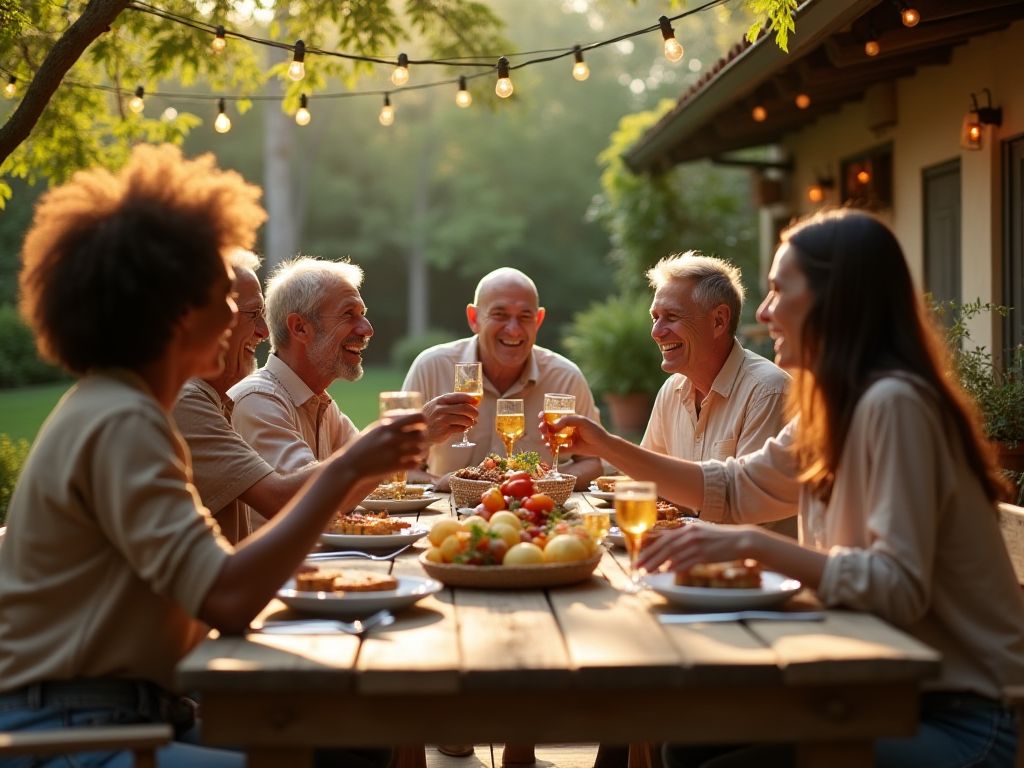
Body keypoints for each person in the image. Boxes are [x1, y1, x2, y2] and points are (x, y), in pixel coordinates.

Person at [547, 209, 1024, 767]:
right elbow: (733, 486)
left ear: (833, 299)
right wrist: (603, 443)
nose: (766, 310)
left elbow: (898, 586)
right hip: (872, 683)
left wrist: (753, 544)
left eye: (778, 290)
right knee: (684, 741)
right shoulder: (833, 406)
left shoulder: (896, 404)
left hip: (959, 713)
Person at [0, 144, 427, 768]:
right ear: (175, 313)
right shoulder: (122, 420)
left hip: (135, 712)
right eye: (226, 302)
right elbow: (226, 597)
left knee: (359, 737)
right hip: (75, 733)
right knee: (344, 750)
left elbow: (206, 587)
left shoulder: (124, 407)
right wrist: (352, 466)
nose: (246, 323)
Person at [403, 267, 602, 491]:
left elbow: (593, 462)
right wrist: (440, 483)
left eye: (525, 317)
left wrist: (539, 485)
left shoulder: (566, 378)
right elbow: (395, 463)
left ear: (538, 320)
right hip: (448, 516)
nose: (514, 330)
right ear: (474, 318)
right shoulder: (432, 367)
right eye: (500, 315)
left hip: (536, 513)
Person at [173, 249, 319, 543]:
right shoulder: (186, 400)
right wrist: (363, 456)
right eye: (253, 314)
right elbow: (280, 500)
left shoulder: (215, 399)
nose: (265, 331)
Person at [642, 252, 793, 534]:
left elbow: (747, 513)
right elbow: (647, 485)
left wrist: (604, 444)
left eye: (671, 317)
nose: (656, 332)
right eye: (655, 317)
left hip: (756, 573)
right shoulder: (671, 389)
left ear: (719, 321)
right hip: (688, 560)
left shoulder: (768, 391)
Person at [229, 256, 373, 472]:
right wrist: (410, 437)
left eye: (362, 314)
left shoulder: (321, 403)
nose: (367, 329)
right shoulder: (258, 400)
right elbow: (306, 496)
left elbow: (371, 471)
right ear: (300, 328)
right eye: (348, 314)